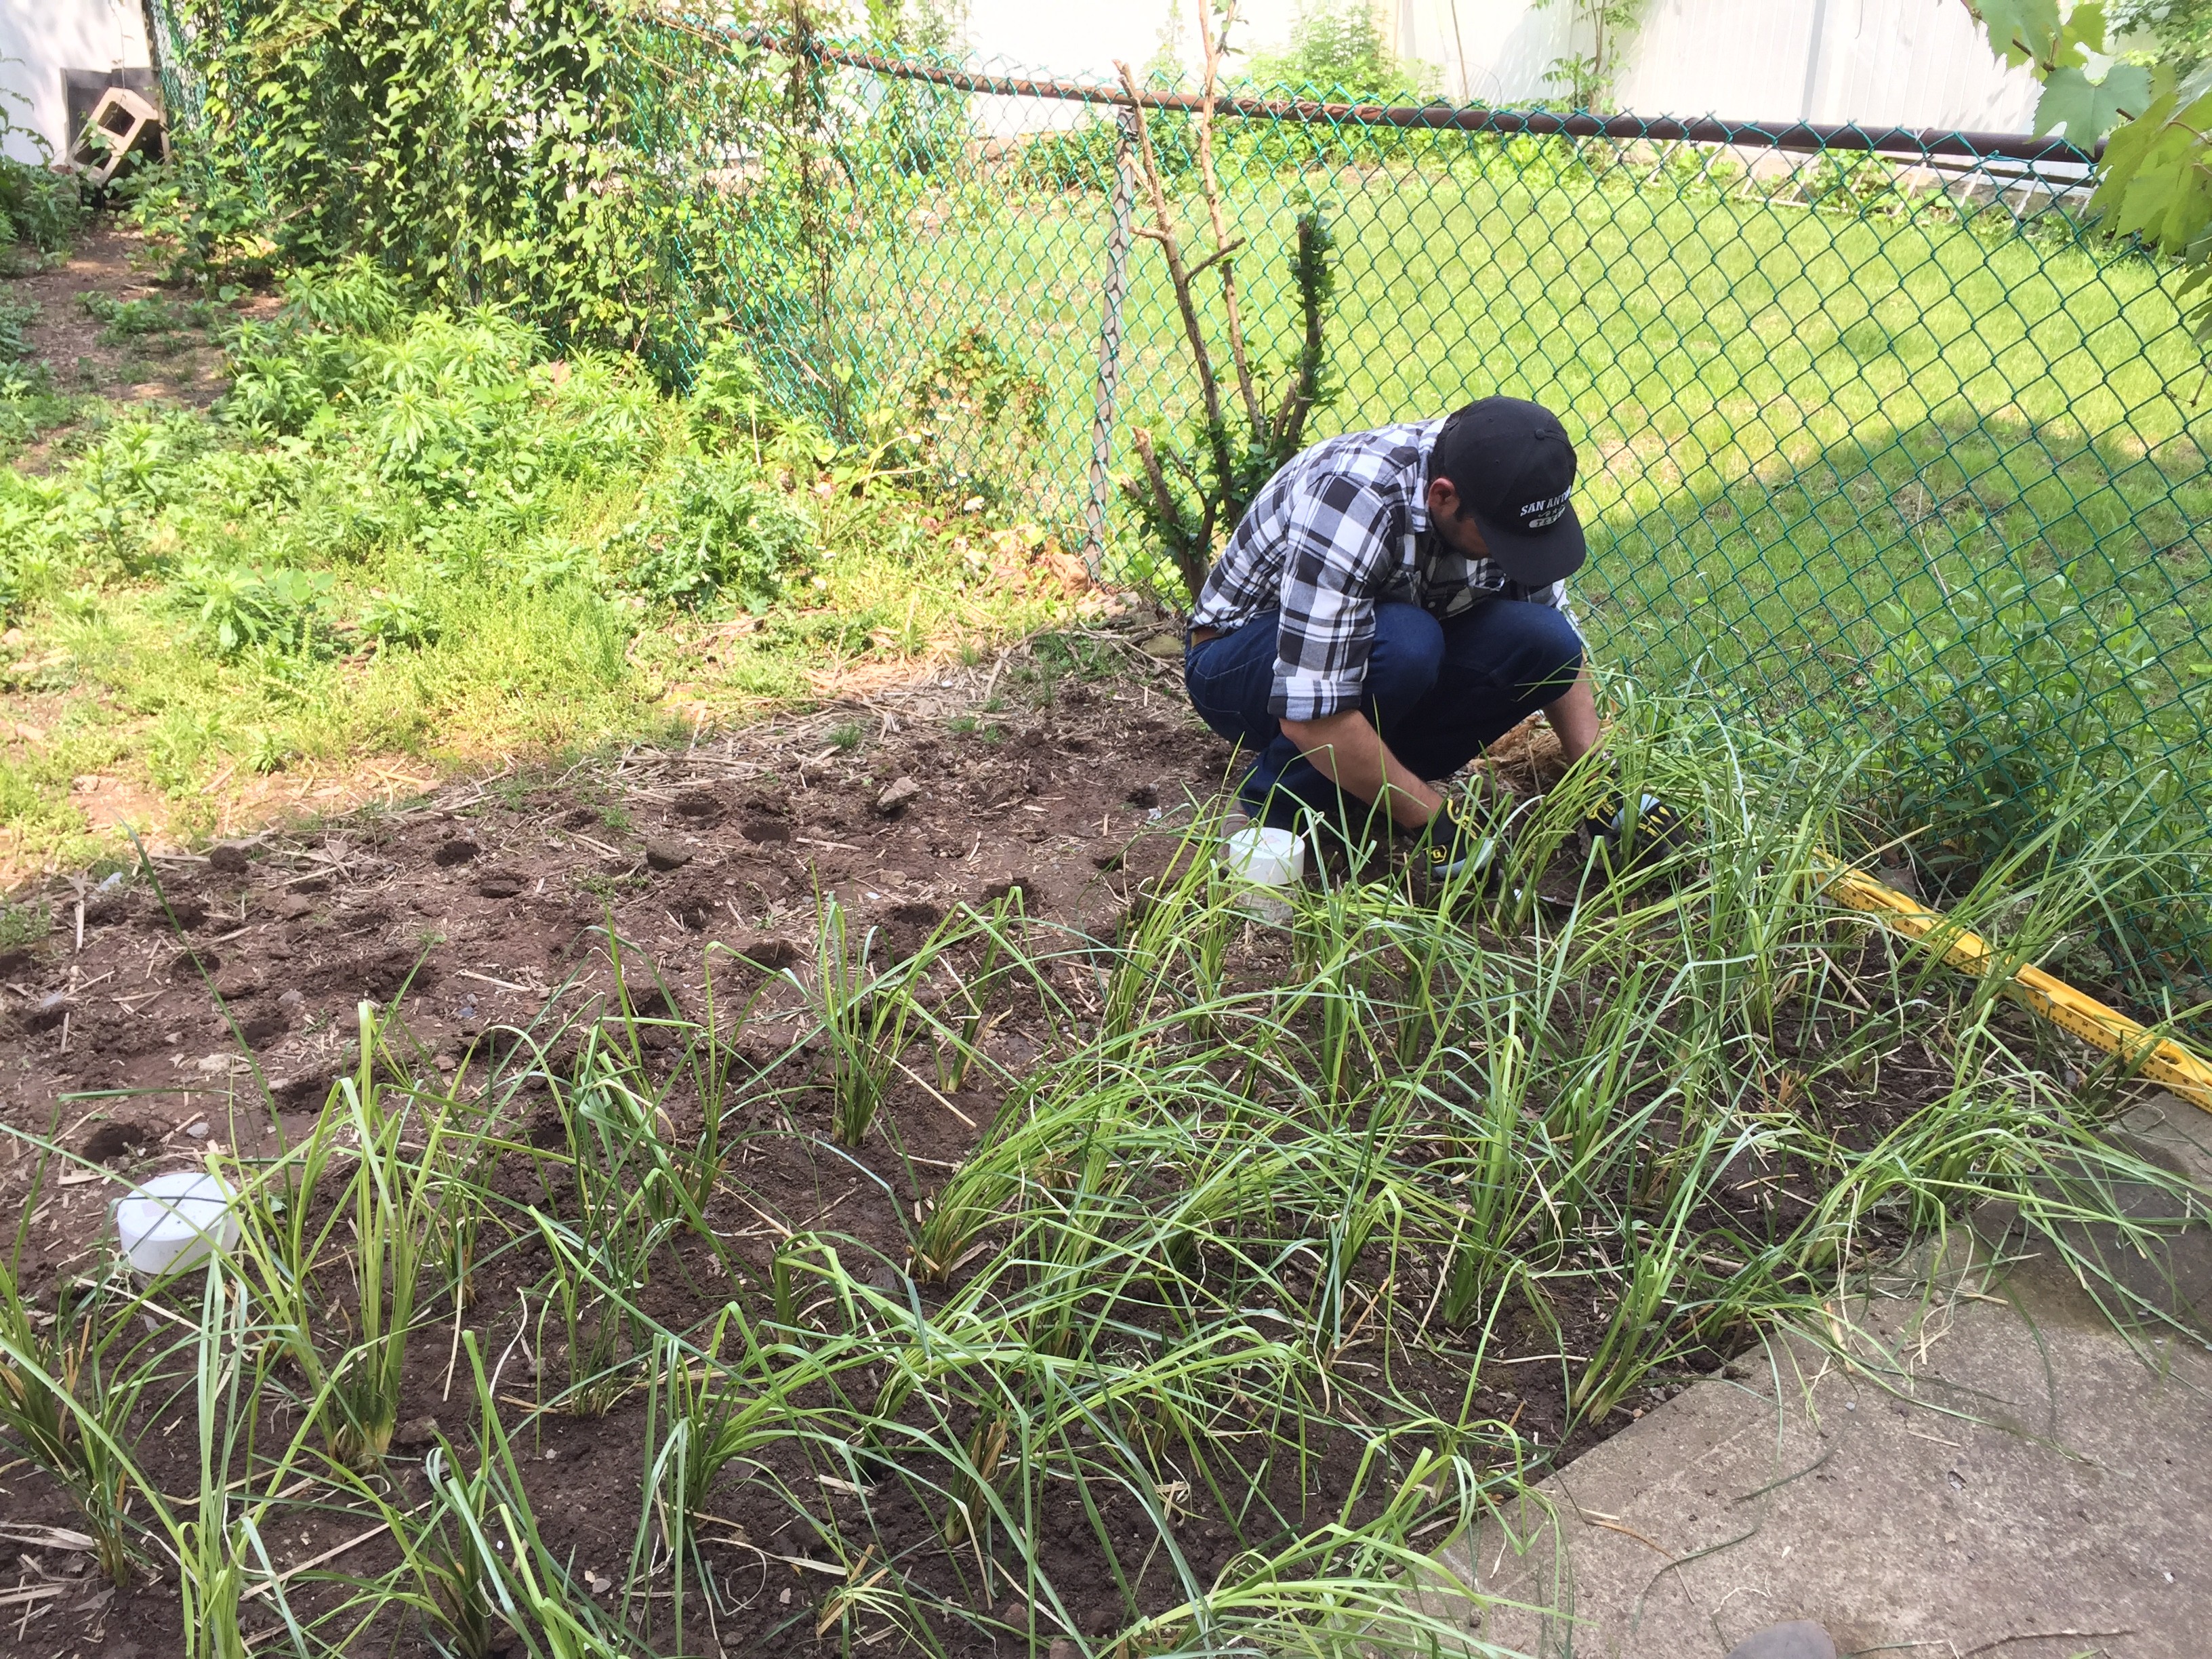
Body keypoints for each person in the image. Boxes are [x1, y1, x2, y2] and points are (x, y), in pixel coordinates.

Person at [1183, 394, 1673, 881]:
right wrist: (1434, 821)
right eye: (1500, 542)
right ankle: (1274, 810)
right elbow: (1311, 713)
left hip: (1374, 664)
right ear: (1443, 496)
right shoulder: (1357, 498)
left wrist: (1598, 783)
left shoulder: (1507, 484)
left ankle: (1365, 784)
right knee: (1407, 643)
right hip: (1240, 663)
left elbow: (1555, 642)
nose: (1512, 558)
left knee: (1547, 641)